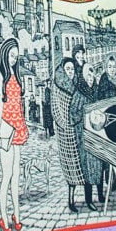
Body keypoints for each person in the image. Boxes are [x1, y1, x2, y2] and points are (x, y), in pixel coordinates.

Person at [0, 38, 29, 231]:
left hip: (17, 127)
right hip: (6, 129)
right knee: (6, 176)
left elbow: (18, 104)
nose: (14, 59)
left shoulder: (16, 75)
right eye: (11, 56)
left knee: (16, 176)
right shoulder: (1, 76)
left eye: (16, 56)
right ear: (5, 55)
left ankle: (16, 214)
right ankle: (4, 219)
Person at [52, 56, 85, 212]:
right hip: (65, 131)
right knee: (69, 165)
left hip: (78, 127)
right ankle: (71, 199)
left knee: (82, 164)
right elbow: (55, 108)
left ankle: (86, 197)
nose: (70, 72)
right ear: (63, 70)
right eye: (68, 69)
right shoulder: (57, 84)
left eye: (72, 69)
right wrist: (64, 125)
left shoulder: (78, 83)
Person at [69, 62, 104, 211]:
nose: (90, 78)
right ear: (83, 77)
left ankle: (101, 195)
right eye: (88, 76)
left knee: (99, 165)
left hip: (97, 134)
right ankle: (89, 199)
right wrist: (85, 116)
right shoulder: (79, 93)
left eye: (92, 76)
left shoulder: (97, 91)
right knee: (88, 169)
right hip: (84, 136)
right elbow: (73, 114)